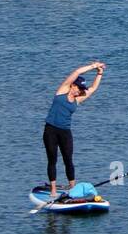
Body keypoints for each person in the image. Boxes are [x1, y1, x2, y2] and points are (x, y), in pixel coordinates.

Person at [43, 62, 105, 198]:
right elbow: (77, 72)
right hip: (51, 130)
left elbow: (93, 88)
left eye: (82, 89)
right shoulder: (62, 90)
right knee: (52, 159)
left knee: (68, 159)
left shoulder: (79, 98)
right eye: (79, 88)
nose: (80, 91)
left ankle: (73, 189)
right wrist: (93, 66)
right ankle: (53, 190)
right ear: (73, 85)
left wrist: (100, 73)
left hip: (65, 131)